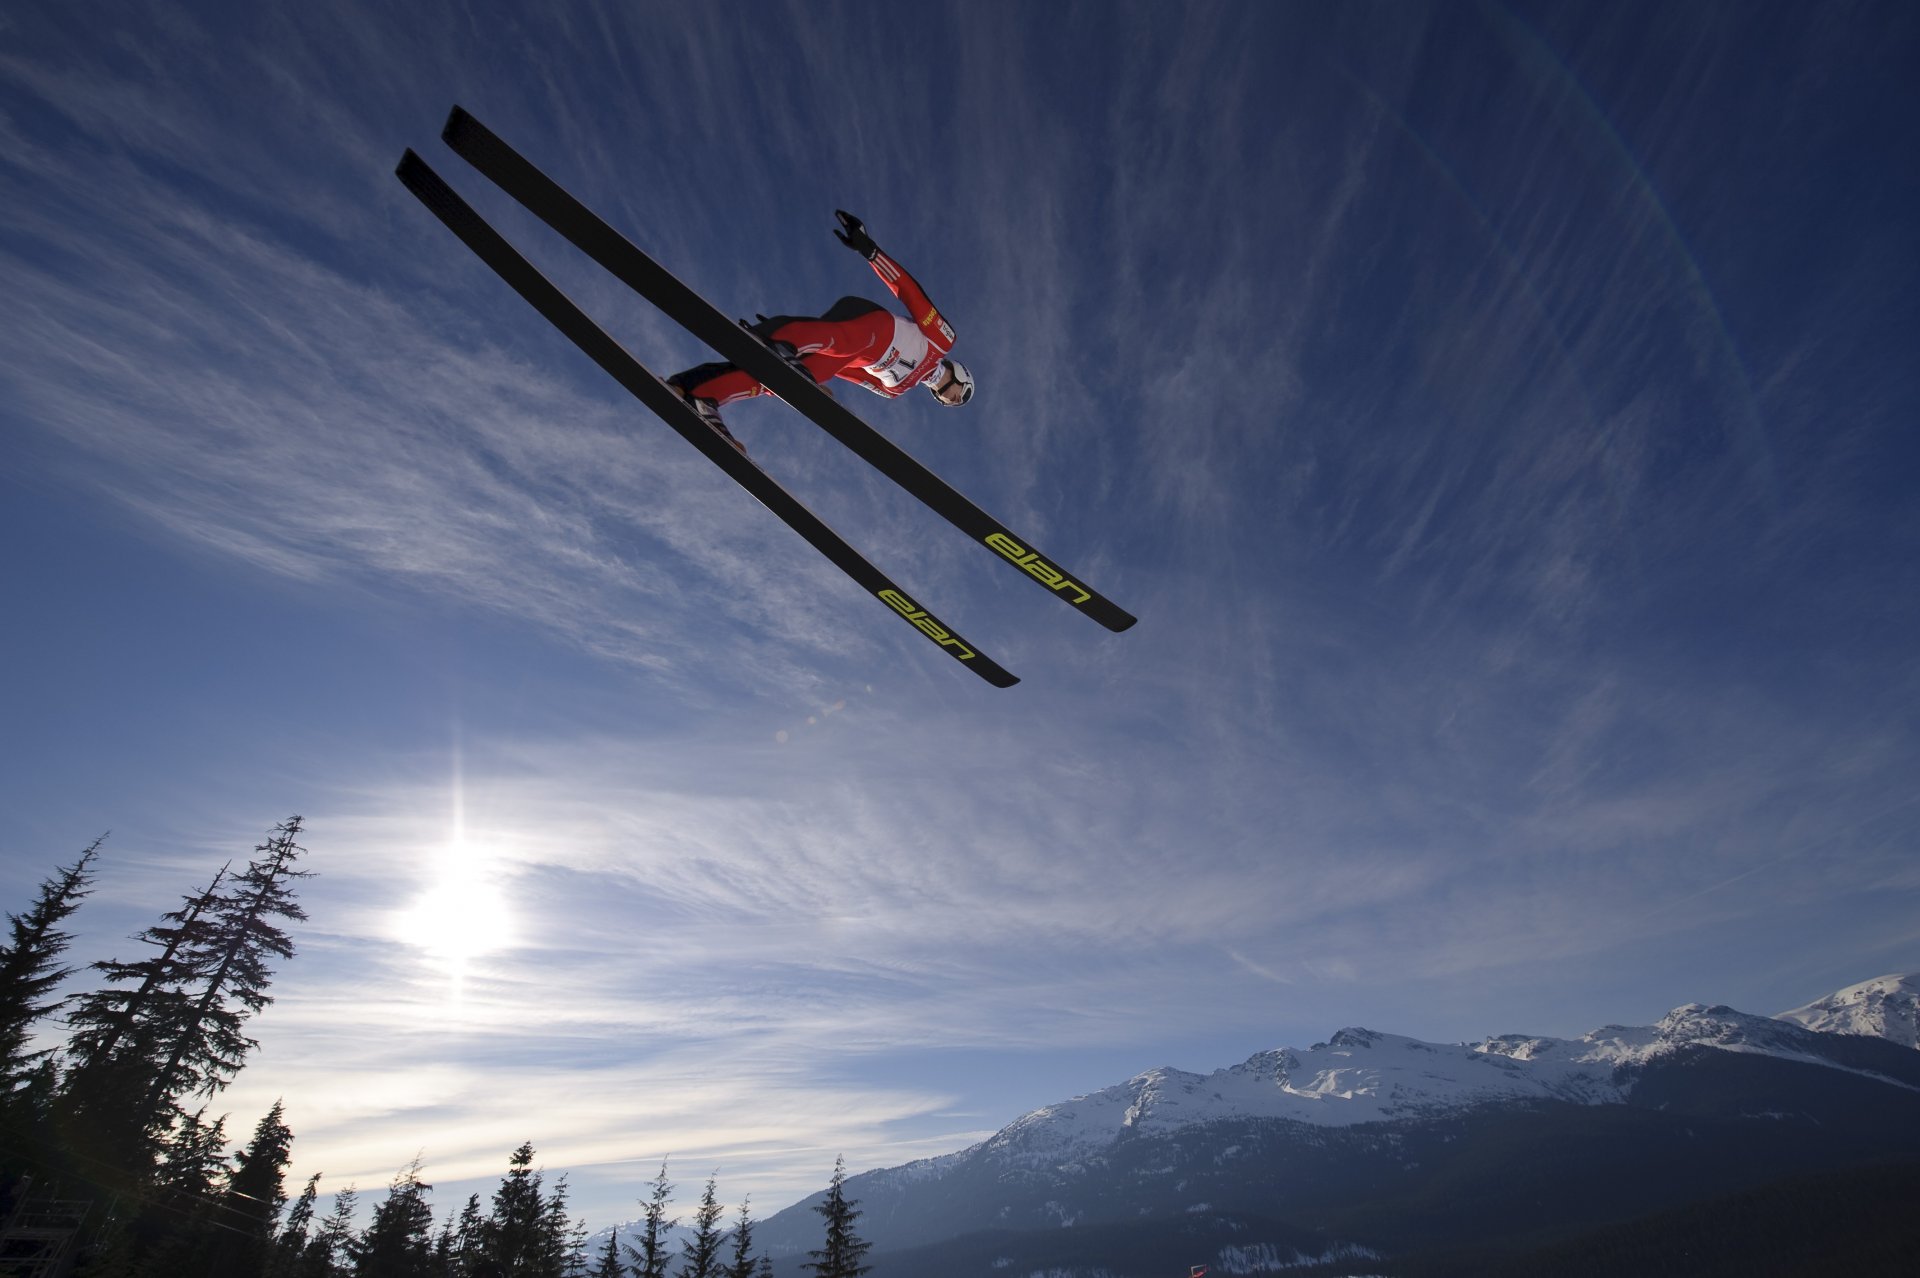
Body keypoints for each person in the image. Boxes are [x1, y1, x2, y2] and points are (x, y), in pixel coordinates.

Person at [667, 211, 974, 454]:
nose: (954, 400)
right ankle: (782, 339)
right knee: (849, 342)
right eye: (962, 394)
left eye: (954, 403)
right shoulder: (943, 341)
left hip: (844, 352)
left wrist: (807, 372)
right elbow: (910, 294)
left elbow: (847, 371)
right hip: (867, 323)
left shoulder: (895, 389)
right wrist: (871, 252)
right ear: (962, 375)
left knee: (788, 379)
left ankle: (702, 396)